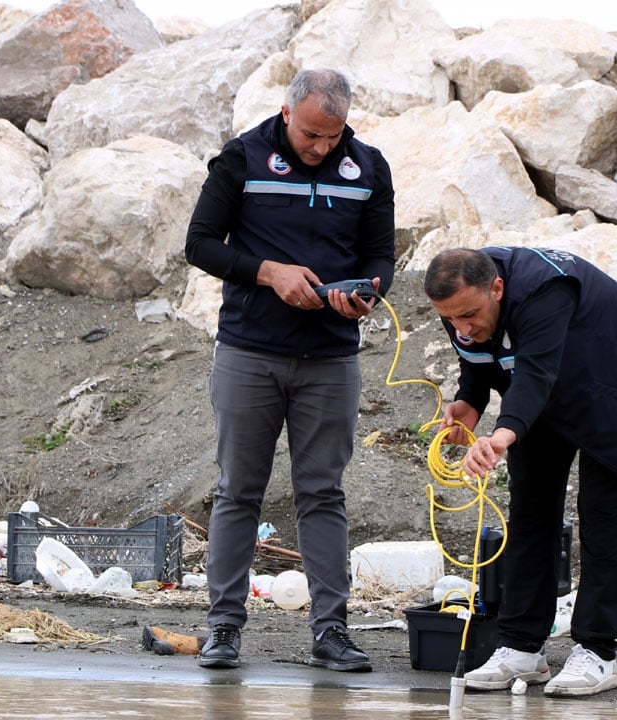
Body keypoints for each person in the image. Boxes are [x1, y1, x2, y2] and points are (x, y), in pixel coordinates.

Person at [184, 68, 396, 671]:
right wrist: (269, 272)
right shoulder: (241, 158)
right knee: (237, 491)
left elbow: (382, 255)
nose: (321, 148)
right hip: (250, 351)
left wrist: (370, 291)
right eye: (310, 135)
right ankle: (223, 628)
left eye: (333, 137)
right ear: (286, 113)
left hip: (331, 356)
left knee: (323, 493)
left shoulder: (370, 167)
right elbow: (200, 244)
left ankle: (331, 632)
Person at [423, 246, 617, 697]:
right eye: (451, 319)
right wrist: (470, 400)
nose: (461, 326)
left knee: (601, 511)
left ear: (497, 288)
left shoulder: (545, 289)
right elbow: (478, 354)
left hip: (611, 370)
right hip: (541, 379)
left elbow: (536, 372)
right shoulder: (459, 299)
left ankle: (598, 653)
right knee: (531, 510)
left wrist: (501, 435)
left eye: (468, 314)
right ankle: (522, 646)